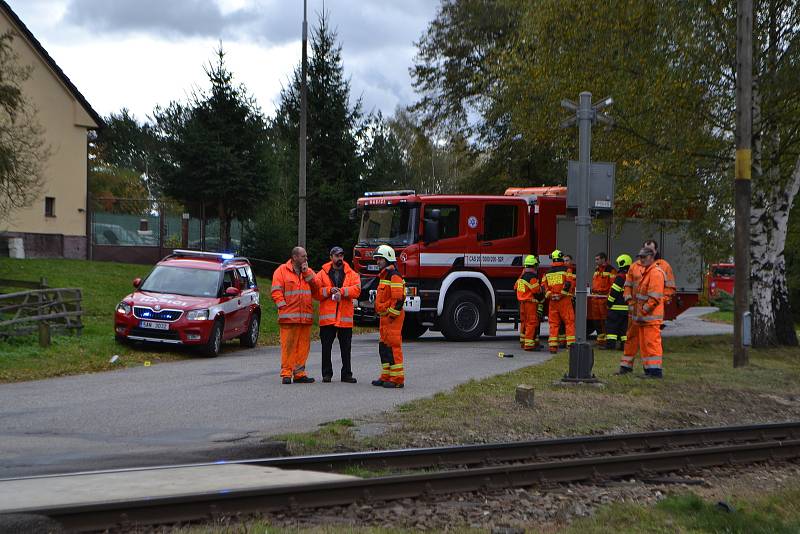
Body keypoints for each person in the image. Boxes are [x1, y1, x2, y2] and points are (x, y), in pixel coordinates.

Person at [271, 246, 317, 384]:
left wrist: (307, 272)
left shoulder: (307, 272)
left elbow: (317, 287)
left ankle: (299, 373)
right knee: (288, 346)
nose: (306, 259)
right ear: (295, 257)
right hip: (289, 318)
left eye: (306, 256)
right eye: (303, 256)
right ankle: (286, 373)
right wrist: (282, 306)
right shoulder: (281, 271)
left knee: (303, 347)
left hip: (305, 318)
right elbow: (276, 291)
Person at [618, 247, 667, 377]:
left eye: (644, 257)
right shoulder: (647, 271)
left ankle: (655, 372)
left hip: (649, 317)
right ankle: (650, 371)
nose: (641, 259)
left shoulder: (655, 273)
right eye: (640, 257)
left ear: (652, 257)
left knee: (651, 344)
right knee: (646, 346)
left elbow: (654, 298)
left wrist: (642, 312)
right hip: (644, 317)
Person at [314, 246, 360, 383]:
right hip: (327, 318)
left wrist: (343, 292)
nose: (339, 258)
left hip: (344, 317)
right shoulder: (322, 273)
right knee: (326, 348)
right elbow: (316, 292)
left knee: (346, 348)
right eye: (336, 256)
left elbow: (357, 290)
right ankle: (326, 374)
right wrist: (329, 291)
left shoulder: (351, 273)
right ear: (331, 257)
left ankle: (347, 374)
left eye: (341, 256)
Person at [371, 244, 406, 388]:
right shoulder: (384, 275)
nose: (378, 262)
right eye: (377, 259)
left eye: (380, 259)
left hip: (392, 318)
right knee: (384, 347)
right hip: (385, 318)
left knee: (393, 347)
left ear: (388, 259)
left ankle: (397, 380)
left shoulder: (394, 276)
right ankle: (386, 376)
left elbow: (398, 299)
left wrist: (391, 316)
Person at [541, 249, 575, 353]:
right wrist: (561, 295)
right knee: (569, 322)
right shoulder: (567, 270)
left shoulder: (547, 272)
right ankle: (571, 346)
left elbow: (543, 286)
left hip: (553, 301)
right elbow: (569, 283)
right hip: (564, 300)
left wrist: (550, 295)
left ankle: (552, 346)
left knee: (553, 324)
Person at [604, 254, 632, 350]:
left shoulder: (620, 277)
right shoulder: (631, 276)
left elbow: (614, 292)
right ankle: (624, 346)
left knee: (612, 327)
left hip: (615, 308)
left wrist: (608, 303)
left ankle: (610, 346)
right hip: (626, 309)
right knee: (624, 329)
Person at [588, 252, 616, 346]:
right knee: (596, 320)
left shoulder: (611, 270)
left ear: (603, 259)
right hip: (595, 298)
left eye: (597, 259)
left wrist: (609, 297)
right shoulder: (597, 269)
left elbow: (613, 286)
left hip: (603, 298)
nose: (596, 261)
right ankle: (600, 340)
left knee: (605, 320)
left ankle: (606, 340)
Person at [516, 255, 542, 351]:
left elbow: (515, 287)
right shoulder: (532, 278)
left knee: (524, 323)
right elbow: (536, 291)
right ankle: (529, 345)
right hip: (530, 304)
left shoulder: (521, 277)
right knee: (532, 323)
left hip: (522, 303)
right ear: (534, 265)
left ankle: (523, 342)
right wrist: (541, 289)